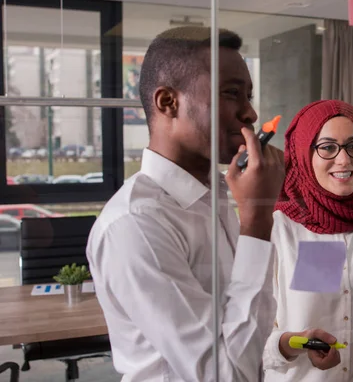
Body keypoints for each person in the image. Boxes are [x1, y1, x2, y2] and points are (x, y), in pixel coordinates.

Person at [86, 26, 285, 382]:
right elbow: (224, 376)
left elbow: (242, 329)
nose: (251, 114)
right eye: (231, 94)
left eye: (249, 96)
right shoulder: (137, 224)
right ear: (168, 102)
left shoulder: (219, 196)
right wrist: (257, 216)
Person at [262, 100, 353, 381]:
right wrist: (291, 344)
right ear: (303, 154)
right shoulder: (277, 230)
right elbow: (246, 338)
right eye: (327, 147)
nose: (344, 160)